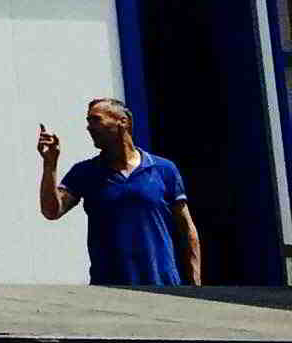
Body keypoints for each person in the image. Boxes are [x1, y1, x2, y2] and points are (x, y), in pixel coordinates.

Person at [39, 98, 202, 287]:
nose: (89, 127)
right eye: (88, 121)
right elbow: (51, 210)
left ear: (123, 122)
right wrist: (50, 164)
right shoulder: (85, 172)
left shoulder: (164, 169)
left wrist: (195, 282)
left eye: (96, 120)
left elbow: (186, 228)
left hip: (164, 287)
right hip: (110, 292)